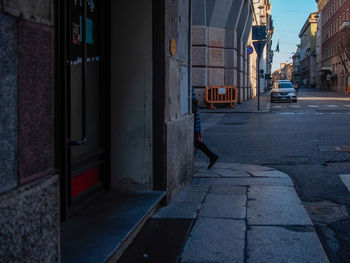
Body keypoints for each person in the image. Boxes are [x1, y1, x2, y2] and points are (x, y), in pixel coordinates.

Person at [192, 88, 219, 169]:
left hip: (194, 125)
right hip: (195, 124)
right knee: (197, 142)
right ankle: (212, 156)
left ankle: (212, 156)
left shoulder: (189, 94)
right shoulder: (191, 94)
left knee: (196, 142)